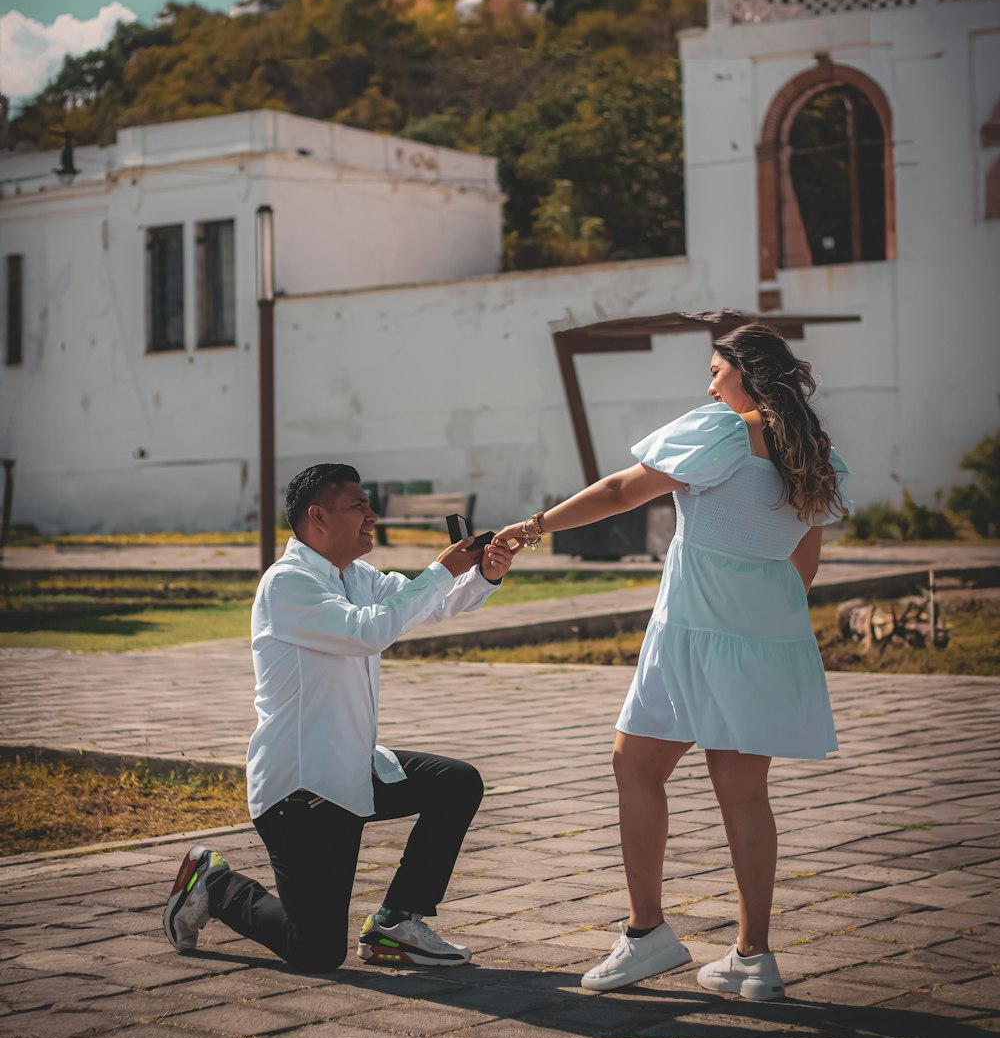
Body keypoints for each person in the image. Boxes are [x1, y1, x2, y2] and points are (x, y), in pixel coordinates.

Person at [495, 322, 850, 1000]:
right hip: (767, 640)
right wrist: (762, 615)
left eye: (717, 370)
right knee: (744, 793)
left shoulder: (719, 430)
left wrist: (536, 526)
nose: (709, 383)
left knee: (634, 763)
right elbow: (805, 555)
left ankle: (647, 932)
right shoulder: (813, 451)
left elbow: (622, 490)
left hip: (693, 630)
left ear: (745, 375)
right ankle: (753, 957)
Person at [164, 463, 514, 973]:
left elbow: (426, 608)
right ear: (318, 517)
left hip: (354, 768)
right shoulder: (288, 585)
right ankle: (212, 885)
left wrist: (483, 573)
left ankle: (397, 922)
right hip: (302, 792)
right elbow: (365, 633)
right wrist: (440, 570)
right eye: (359, 506)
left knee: (456, 783)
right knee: (316, 951)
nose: (373, 515)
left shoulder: (358, 576)